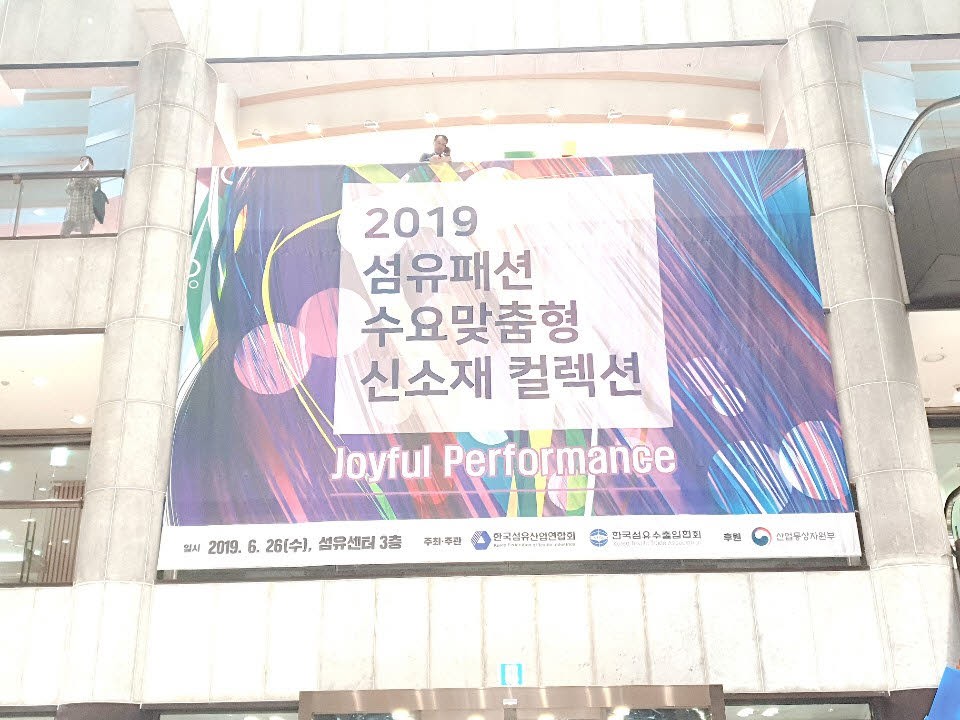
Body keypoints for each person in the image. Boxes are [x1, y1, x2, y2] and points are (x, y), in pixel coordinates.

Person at [61, 155, 100, 236]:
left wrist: (86, 175)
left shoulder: (95, 175)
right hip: (73, 207)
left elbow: (95, 184)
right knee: (64, 232)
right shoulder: (74, 173)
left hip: (86, 209)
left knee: (85, 233)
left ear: (91, 164)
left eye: (86, 160)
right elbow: (68, 190)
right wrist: (76, 180)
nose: (83, 161)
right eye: (82, 160)